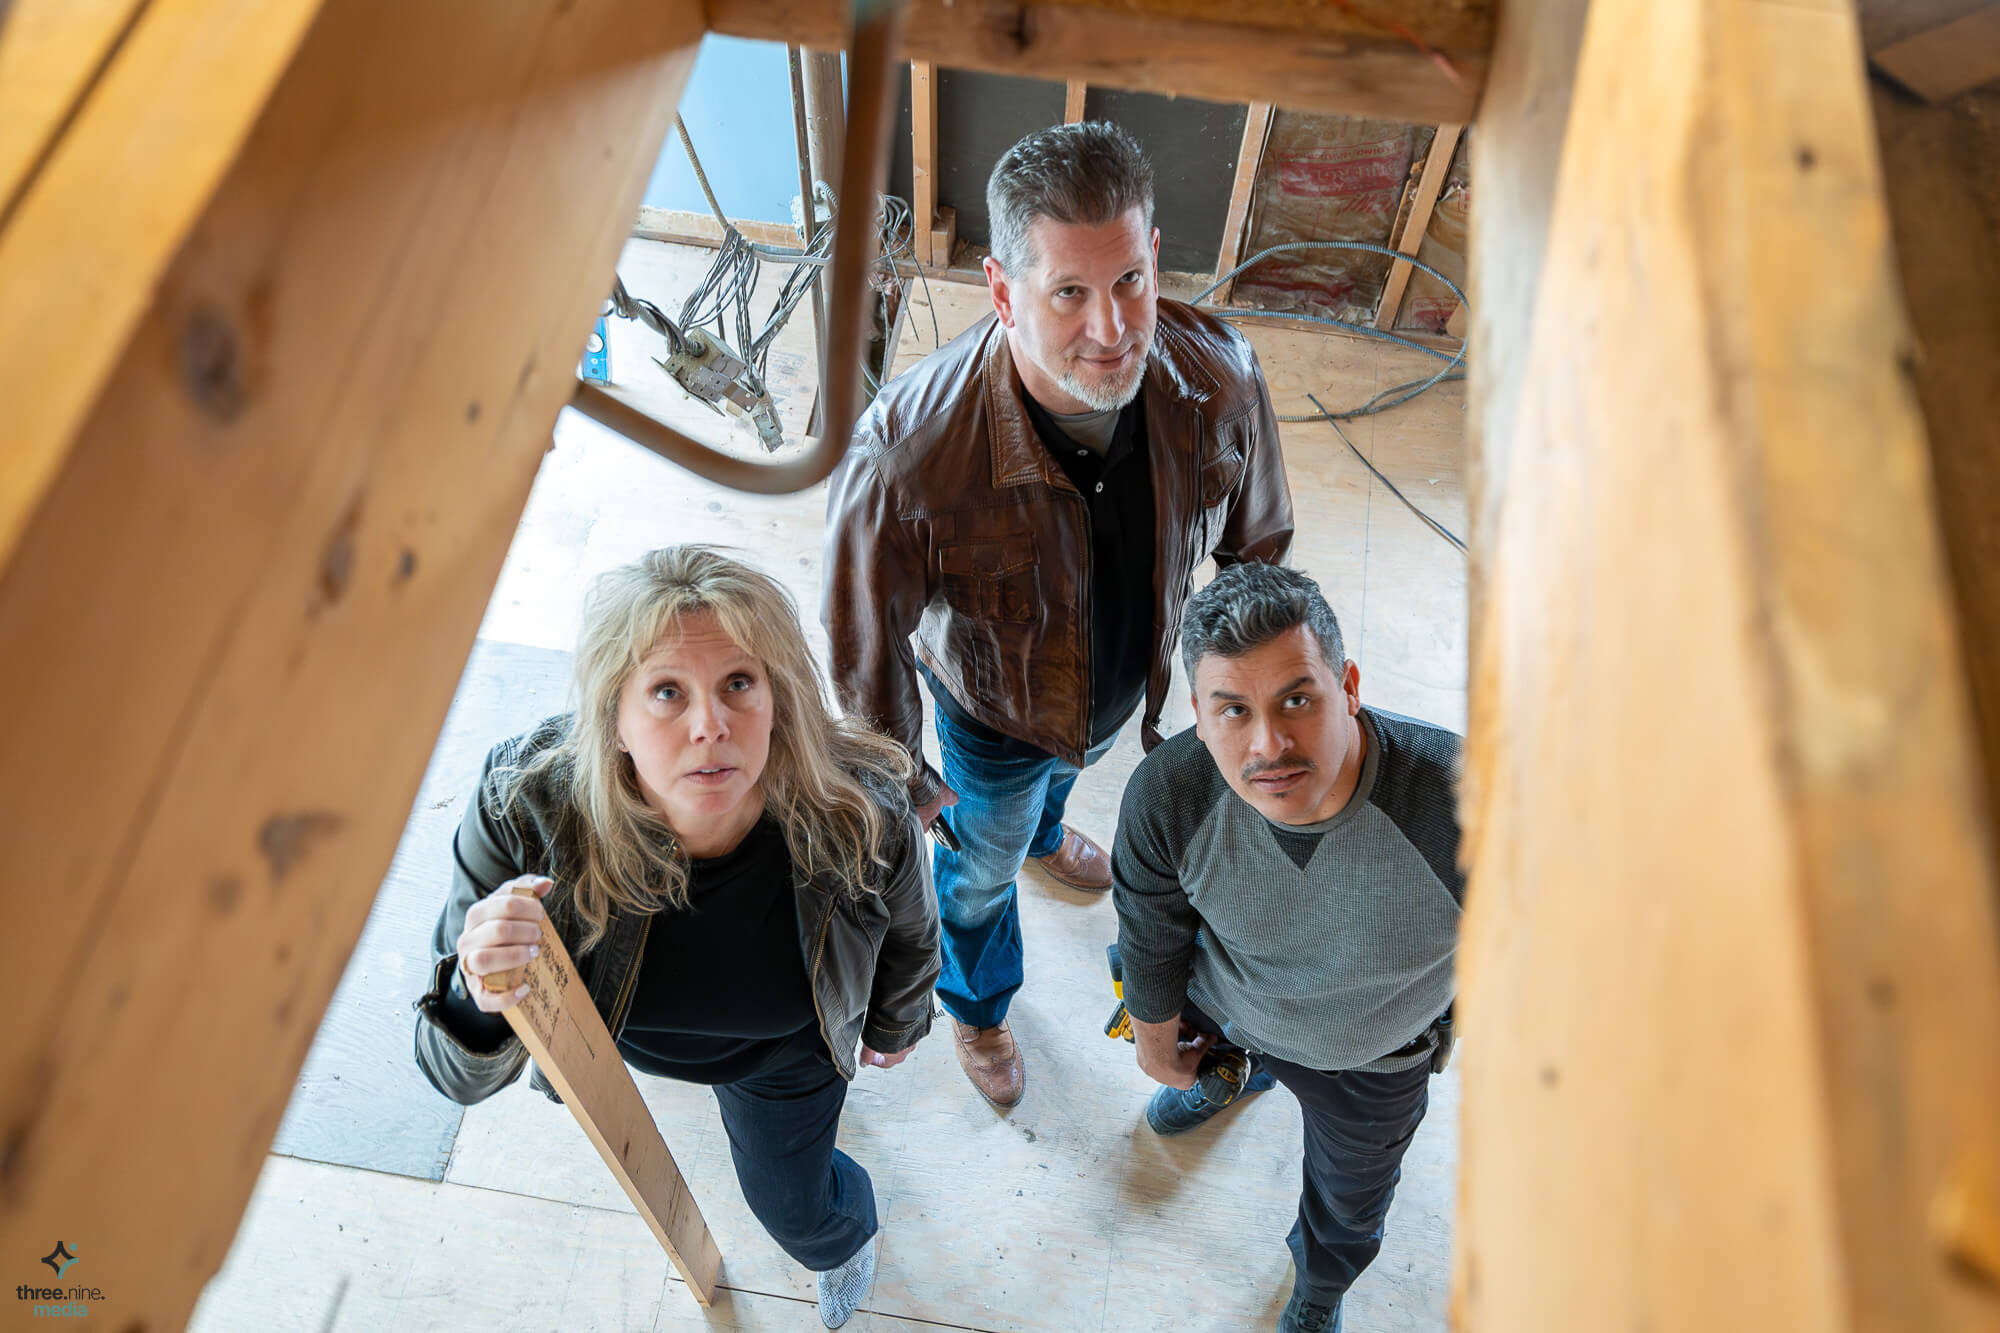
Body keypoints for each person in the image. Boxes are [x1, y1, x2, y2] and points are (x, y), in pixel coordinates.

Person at [822, 121, 1294, 1107]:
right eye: (1068, 293)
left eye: (1129, 280)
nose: (1113, 328)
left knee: (1057, 783)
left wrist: (1237, 701)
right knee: (977, 874)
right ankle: (978, 1001)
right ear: (1001, 292)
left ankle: (1043, 834)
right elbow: (865, 649)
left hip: (1119, 693)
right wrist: (909, 781)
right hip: (993, 720)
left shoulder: (1221, 376)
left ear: (1153, 255)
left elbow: (1257, 550)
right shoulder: (905, 454)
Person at [412, 547, 939, 1330]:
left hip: (784, 1054)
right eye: (667, 692)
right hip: (624, 1040)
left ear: (779, 697)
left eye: (739, 683)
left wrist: (896, 1021)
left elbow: (912, 929)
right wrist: (476, 990)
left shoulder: (860, 805)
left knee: (795, 1208)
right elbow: (449, 1073)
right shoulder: (522, 804)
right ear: (614, 719)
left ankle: (843, 1235)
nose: (710, 727)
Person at [1112, 563, 1462, 1333]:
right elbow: (1150, 932)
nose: (1268, 744)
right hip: (1230, 1007)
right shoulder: (1168, 794)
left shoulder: (1467, 801)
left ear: (1350, 687)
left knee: (1349, 1203)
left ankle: (1320, 1288)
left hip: (1371, 1058)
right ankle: (1229, 1075)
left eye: (1297, 699)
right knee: (1140, 979)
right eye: (1233, 710)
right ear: (1199, 717)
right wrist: (1158, 1043)